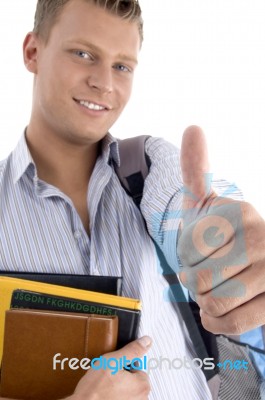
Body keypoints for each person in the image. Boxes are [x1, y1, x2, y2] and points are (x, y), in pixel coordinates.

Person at [0, 0, 264, 399]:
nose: (104, 83)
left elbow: (185, 213)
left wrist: (221, 242)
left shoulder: (149, 166)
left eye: (122, 66)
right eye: (83, 54)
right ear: (32, 52)